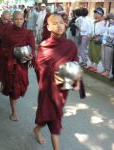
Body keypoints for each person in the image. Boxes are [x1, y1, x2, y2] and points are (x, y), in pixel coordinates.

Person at [34, 14, 85, 150]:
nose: (59, 25)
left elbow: (75, 64)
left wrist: (77, 81)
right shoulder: (44, 46)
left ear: (65, 24)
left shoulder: (71, 45)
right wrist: (51, 73)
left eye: (61, 22)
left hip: (62, 88)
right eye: (55, 23)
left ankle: (37, 130)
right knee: (54, 120)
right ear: (49, 27)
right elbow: (38, 67)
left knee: (48, 117)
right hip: (47, 88)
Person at [0, 11, 35, 121]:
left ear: (24, 19)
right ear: (12, 19)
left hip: (22, 65)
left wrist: (31, 56)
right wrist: (13, 52)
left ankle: (13, 99)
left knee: (22, 86)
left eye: (20, 19)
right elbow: (3, 49)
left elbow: (32, 48)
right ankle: (14, 112)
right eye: (16, 19)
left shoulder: (28, 33)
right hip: (11, 64)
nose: (18, 21)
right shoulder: (8, 33)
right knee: (13, 89)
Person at [88, 7, 105, 71]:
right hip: (91, 38)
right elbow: (91, 29)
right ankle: (91, 64)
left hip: (97, 39)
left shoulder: (103, 22)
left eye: (97, 13)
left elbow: (101, 31)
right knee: (91, 51)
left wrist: (92, 36)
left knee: (96, 52)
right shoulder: (93, 21)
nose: (95, 14)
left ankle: (95, 65)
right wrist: (89, 36)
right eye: (95, 13)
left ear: (101, 15)